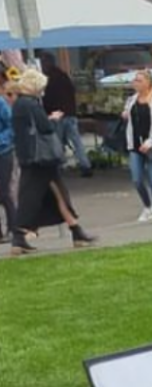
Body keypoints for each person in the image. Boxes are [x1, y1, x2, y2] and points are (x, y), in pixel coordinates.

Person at [10, 68, 95, 254]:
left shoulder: (18, 104)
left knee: (55, 194)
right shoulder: (32, 104)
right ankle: (20, 234)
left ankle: (76, 230)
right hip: (41, 158)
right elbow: (45, 128)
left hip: (28, 155)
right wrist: (54, 119)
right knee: (36, 196)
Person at [122, 69, 152, 223]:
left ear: (148, 83)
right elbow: (128, 116)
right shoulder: (132, 100)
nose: (135, 83)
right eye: (135, 80)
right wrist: (125, 114)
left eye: (139, 80)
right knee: (137, 179)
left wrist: (150, 142)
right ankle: (147, 206)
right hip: (135, 145)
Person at [39, 52, 92, 176]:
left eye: (42, 62)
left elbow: (48, 98)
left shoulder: (48, 78)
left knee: (57, 142)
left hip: (57, 114)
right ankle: (85, 165)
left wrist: (46, 112)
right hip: (70, 113)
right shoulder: (63, 76)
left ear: (46, 63)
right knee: (76, 141)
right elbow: (71, 92)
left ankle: (58, 166)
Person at [0, 80, 17, 240]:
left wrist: (2, 140)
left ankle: (13, 227)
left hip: (3, 151)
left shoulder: (1, 103)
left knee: (3, 191)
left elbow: (12, 125)